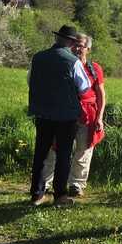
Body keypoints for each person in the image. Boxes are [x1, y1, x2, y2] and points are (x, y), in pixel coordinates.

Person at [27, 25, 92, 206]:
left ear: (57, 38)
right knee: (63, 155)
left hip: (42, 113)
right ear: (71, 42)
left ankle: (37, 194)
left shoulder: (38, 58)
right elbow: (84, 87)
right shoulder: (73, 62)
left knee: (41, 154)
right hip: (66, 115)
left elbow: (30, 81)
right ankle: (60, 195)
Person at [41, 33, 106, 197]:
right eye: (74, 44)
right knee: (54, 148)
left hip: (87, 114)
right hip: (64, 113)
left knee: (84, 149)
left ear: (88, 49)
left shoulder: (95, 69)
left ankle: (76, 184)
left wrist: (99, 117)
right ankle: (45, 182)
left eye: (80, 45)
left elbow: (101, 95)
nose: (77, 48)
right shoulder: (65, 64)